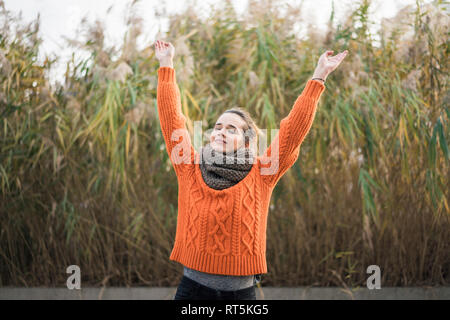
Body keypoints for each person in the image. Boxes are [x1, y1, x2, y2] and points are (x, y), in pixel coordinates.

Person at [154, 39, 348, 300]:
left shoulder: (263, 173)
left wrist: (319, 76)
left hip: (241, 294)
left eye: (231, 129)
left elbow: (292, 132)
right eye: (218, 126)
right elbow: (171, 119)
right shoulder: (189, 166)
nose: (221, 132)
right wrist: (166, 64)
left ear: (246, 141)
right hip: (192, 291)